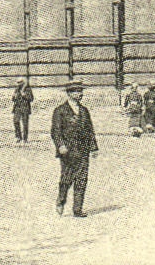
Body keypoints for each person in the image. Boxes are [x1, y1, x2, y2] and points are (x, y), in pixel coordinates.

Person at [51, 81, 98, 217]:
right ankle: (61, 200)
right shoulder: (60, 110)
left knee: (82, 179)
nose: (80, 94)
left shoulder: (84, 110)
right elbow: (55, 131)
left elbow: (90, 130)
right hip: (68, 151)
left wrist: (93, 147)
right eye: (77, 92)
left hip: (83, 149)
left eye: (81, 91)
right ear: (69, 93)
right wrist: (60, 145)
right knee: (67, 178)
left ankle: (77, 209)